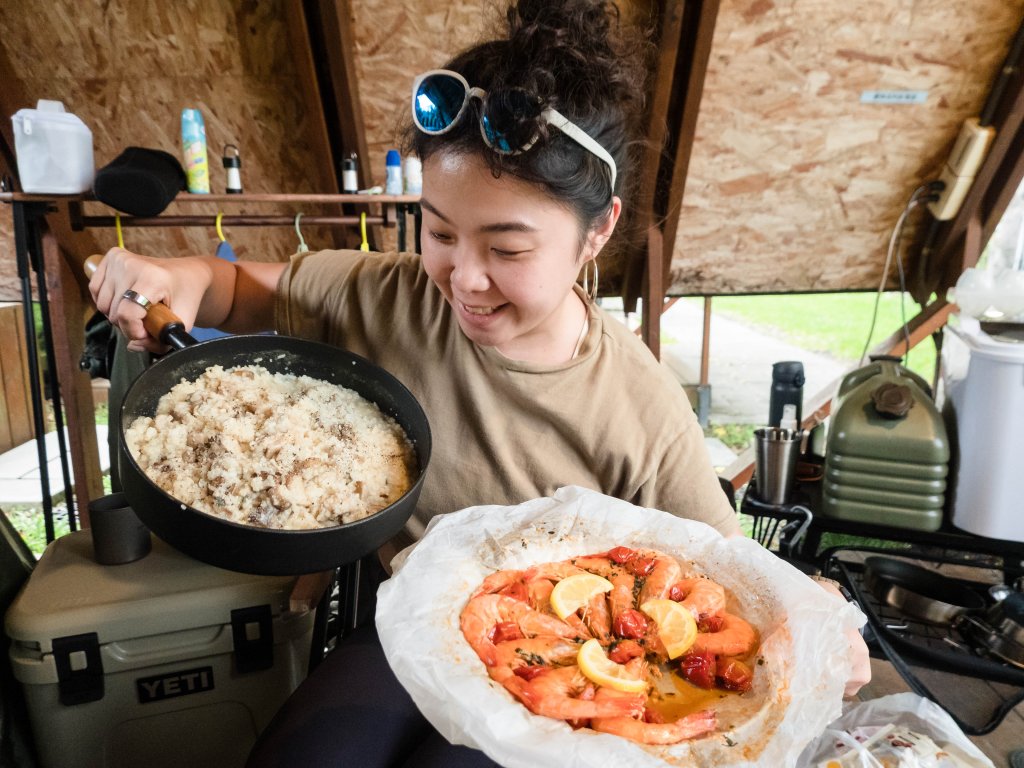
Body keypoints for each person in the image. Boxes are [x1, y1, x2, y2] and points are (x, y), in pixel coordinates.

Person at [89, 1, 869, 765]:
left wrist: (812, 616)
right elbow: (234, 291)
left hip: (566, 666)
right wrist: (178, 274)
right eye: (439, 230)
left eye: (508, 248)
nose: (464, 278)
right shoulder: (385, 296)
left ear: (596, 232)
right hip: (412, 630)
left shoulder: (641, 406)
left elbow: (728, 585)